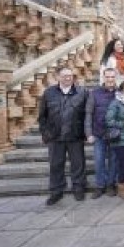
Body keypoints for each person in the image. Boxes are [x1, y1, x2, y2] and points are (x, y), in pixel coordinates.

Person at [38, 66, 88, 205]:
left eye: (70, 75)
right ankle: (56, 191)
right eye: (65, 75)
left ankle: (79, 188)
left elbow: (86, 114)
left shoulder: (82, 92)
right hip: (55, 136)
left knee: (78, 164)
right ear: (58, 77)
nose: (68, 78)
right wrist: (45, 133)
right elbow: (42, 116)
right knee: (55, 164)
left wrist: (85, 132)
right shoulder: (49, 93)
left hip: (75, 135)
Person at [85, 67, 118, 199]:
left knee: (114, 161)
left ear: (115, 78)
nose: (110, 79)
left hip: (115, 133)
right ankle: (100, 185)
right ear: (103, 78)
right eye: (107, 77)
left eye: (112, 77)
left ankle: (111, 184)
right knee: (99, 161)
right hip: (98, 133)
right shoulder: (94, 93)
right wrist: (88, 133)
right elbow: (88, 114)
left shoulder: (120, 92)